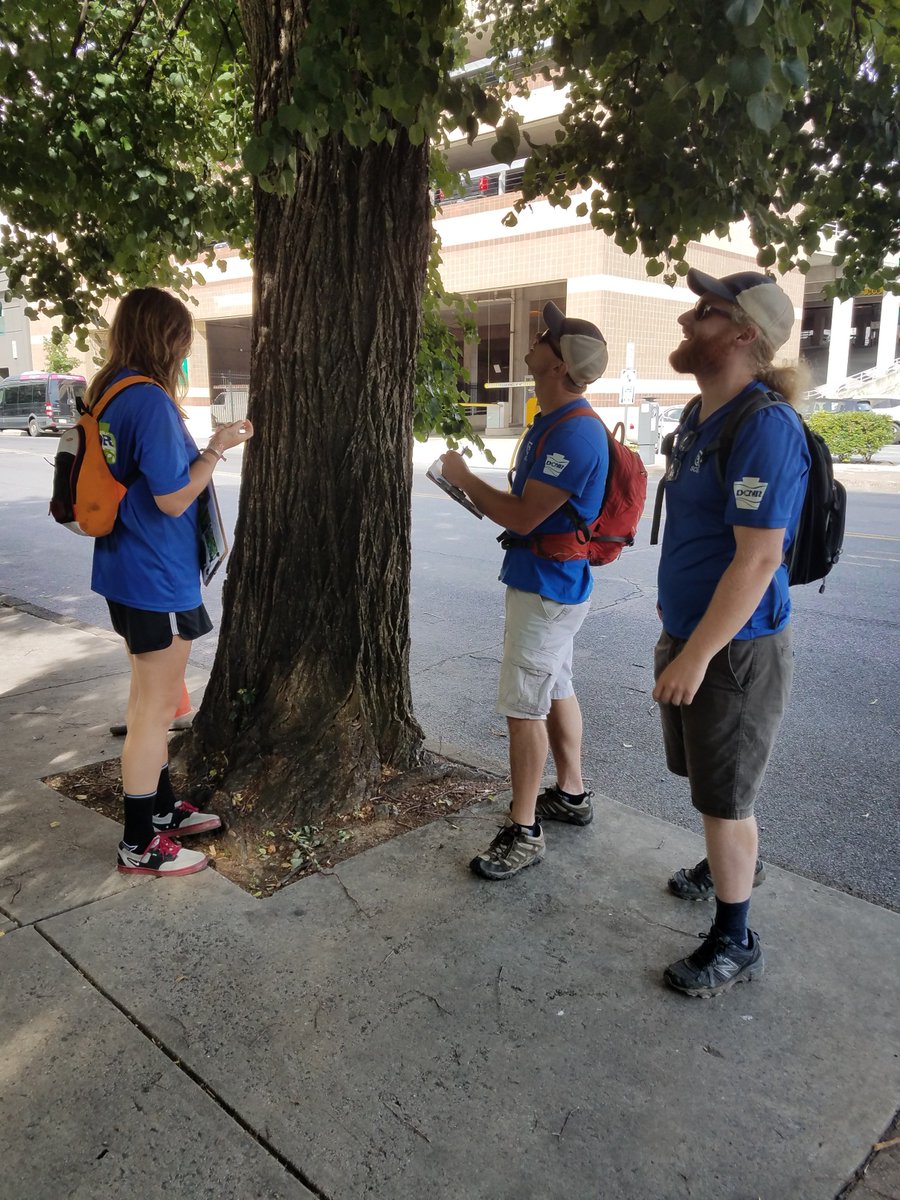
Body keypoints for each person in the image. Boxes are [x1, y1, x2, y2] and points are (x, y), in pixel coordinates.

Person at [652, 269, 810, 998]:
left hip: (733, 651)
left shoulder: (765, 426)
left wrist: (697, 654)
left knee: (726, 799)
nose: (688, 321)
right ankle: (726, 860)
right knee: (710, 782)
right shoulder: (698, 414)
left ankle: (734, 936)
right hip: (694, 637)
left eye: (706, 313)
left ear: (745, 334)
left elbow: (759, 560)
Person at [440, 302, 610, 880]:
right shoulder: (554, 419)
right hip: (547, 582)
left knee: (522, 707)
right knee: (556, 685)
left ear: (560, 365)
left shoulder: (577, 433)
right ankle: (572, 793)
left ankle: (525, 828)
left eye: (546, 338)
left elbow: (525, 517)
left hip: (549, 587)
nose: (535, 340)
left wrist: (464, 479)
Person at [88, 287, 253, 878]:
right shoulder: (150, 402)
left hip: (129, 570)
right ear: (166, 338)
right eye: (184, 337)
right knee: (153, 712)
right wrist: (215, 447)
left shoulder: (110, 391)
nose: (187, 349)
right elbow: (174, 496)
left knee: (147, 703)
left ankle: (158, 813)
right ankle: (140, 842)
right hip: (154, 574)